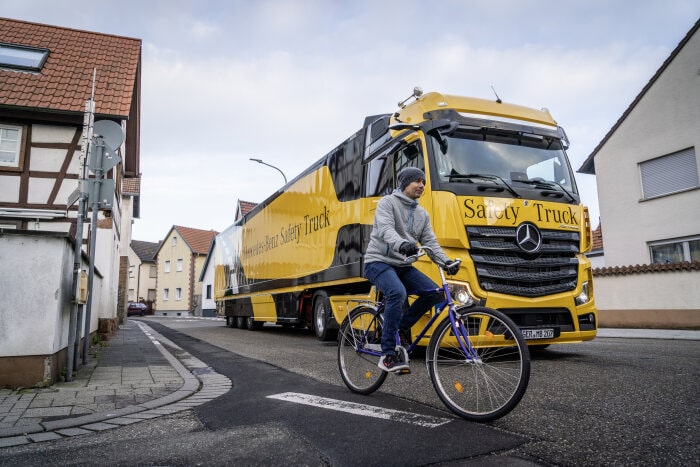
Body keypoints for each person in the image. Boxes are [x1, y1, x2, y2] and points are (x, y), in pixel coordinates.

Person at [363, 167, 460, 372]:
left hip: (402, 265)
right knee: (397, 293)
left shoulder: (421, 214)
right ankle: (388, 353)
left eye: (423, 182)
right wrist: (401, 244)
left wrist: (446, 261)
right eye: (416, 181)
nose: (421, 185)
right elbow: (386, 229)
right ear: (404, 183)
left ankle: (399, 326)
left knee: (434, 294)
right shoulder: (387, 203)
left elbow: (430, 243)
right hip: (378, 262)